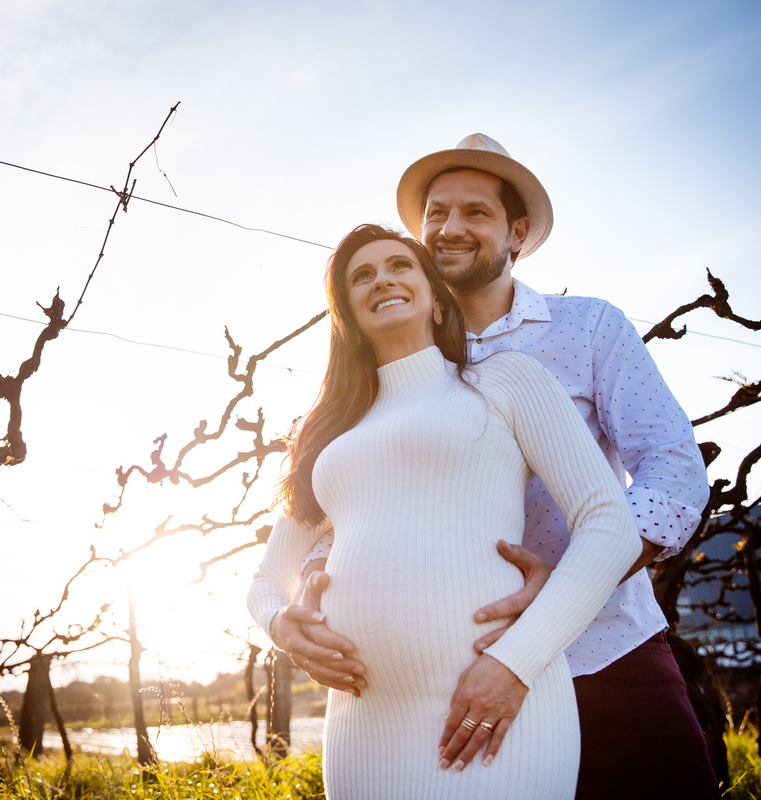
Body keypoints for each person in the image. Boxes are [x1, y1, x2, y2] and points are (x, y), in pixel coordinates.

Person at [270, 134, 719, 799]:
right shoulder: (385, 378)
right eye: (437, 214)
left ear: (518, 231)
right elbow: (343, 516)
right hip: (446, 685)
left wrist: (569, 583)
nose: (451, 228)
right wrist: (311, 593)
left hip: (607, 655)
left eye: (475, 213)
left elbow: (674, 470)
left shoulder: (587, 328)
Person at [248, 222, 641, 799]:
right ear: (349, 316)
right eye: (362, 276)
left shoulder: (504, 382)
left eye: (400, 266)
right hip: (363, 720)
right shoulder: (325, 437)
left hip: (497, 696)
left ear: (436, 297)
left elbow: (609, 525)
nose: (382, 279)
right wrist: (283, 627)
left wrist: (515, 662)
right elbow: (265, 581)